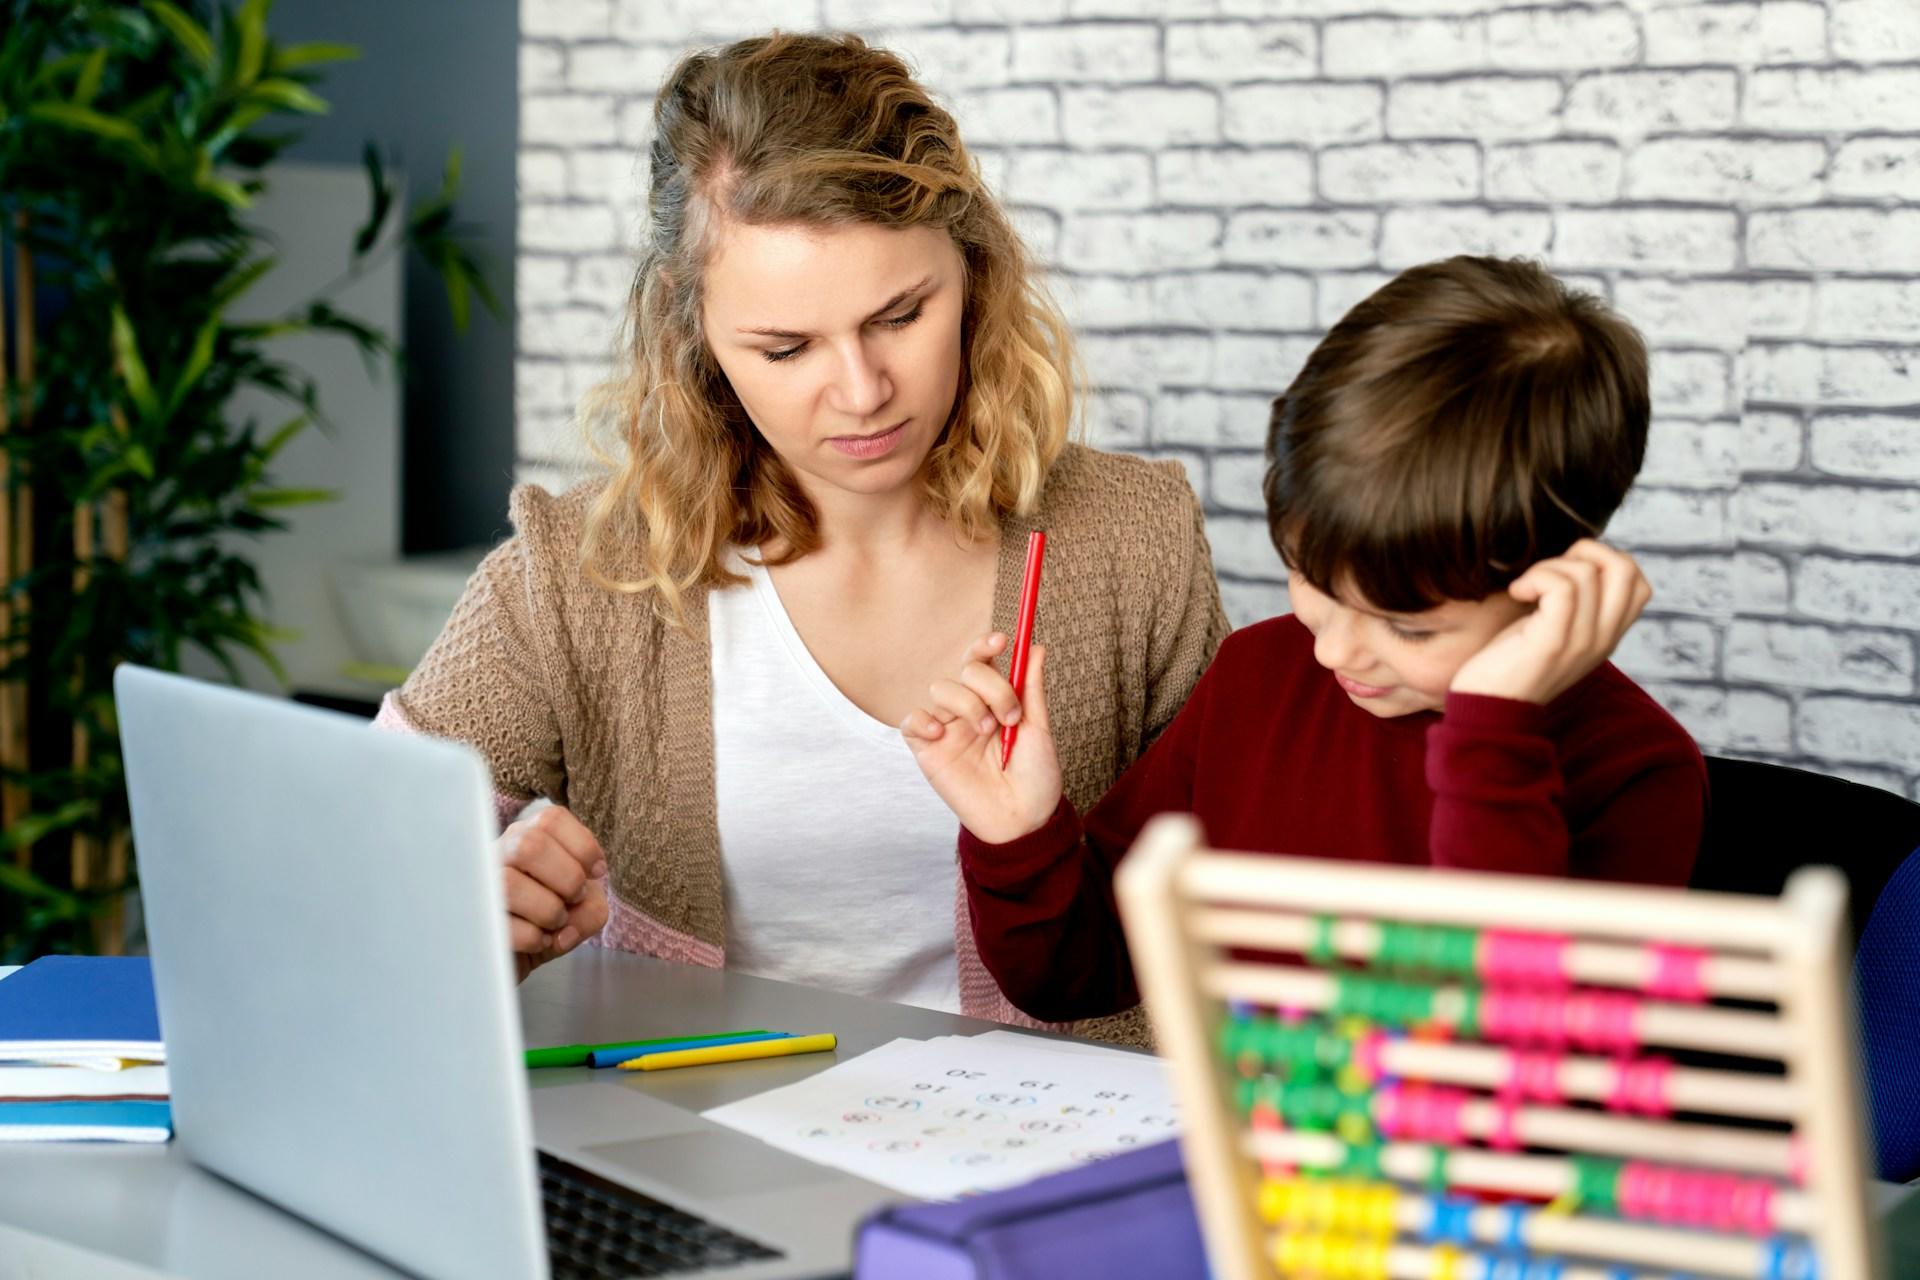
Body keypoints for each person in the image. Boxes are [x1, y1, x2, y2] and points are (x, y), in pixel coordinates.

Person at [378, 32, 1229, 1030]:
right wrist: (468, 904)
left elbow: (1236, 912)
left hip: (1034, 1170)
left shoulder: (1133, 539)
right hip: (683, 1155)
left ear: (975, 275)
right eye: (785, 347)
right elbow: (355, 866)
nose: (863, 393)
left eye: (902, 315)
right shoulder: (578, 576)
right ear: (691, 333)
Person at [901, 256, 1708, 1023]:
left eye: (1407, 625)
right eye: (1313, 584)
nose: (1335, 653)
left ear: (1557, 582)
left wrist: (1493, 733)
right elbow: (1075, 976)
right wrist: (1021, 835)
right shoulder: (1258, 678)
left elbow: (1511, 1053)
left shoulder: (1636, 770)